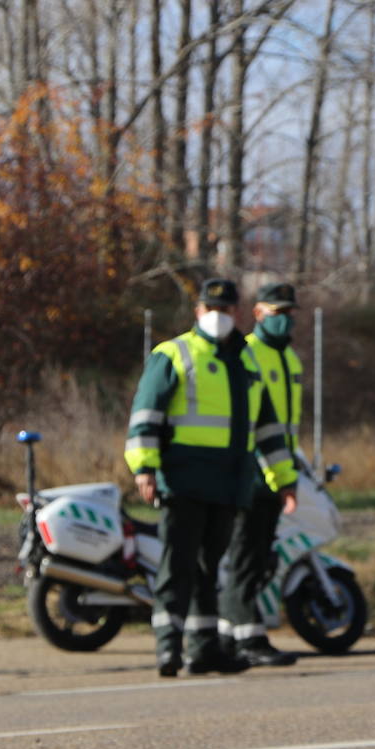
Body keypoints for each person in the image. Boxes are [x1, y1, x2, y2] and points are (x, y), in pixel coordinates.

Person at [124, 278, 298, 678]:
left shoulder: (245, 360)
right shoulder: (174, 353)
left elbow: (268, 430)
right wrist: (144, 467)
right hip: (183, 479)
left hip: (229, 483)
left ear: (236, 313)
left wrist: (285, 479)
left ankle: (204, 651)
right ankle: (169, 650)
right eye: (211, 309)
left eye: (225, 310)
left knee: (209, 570)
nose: (218, 317)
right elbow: (145, 414)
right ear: (198, 312)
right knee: (177, 566)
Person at [219, 282, 305, 667]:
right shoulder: (248, 355)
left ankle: (230, 636)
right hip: (252, 476)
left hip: (278, 474)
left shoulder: (291, 360)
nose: (284, 321)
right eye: (277, 313)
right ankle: (247, 638)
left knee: (257, 561)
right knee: (244, 559)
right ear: (257, 314)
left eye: (288, 313)